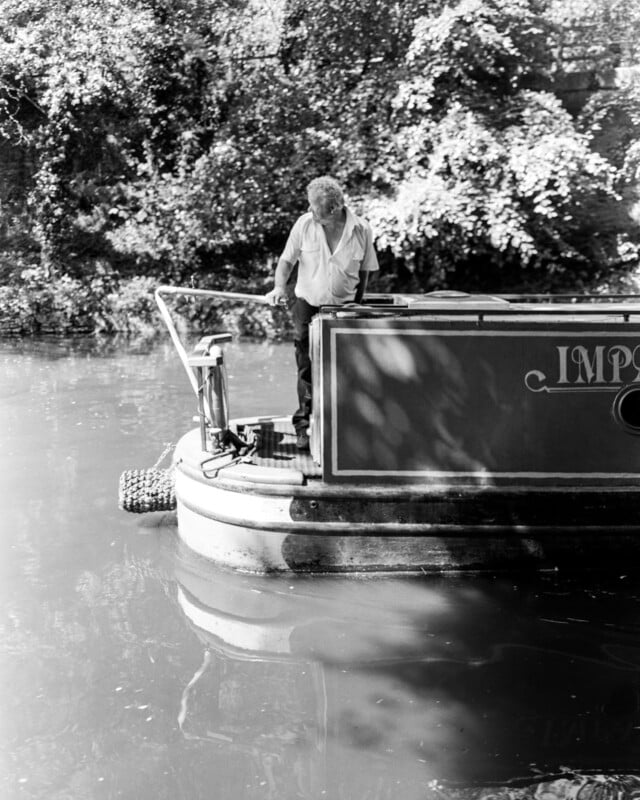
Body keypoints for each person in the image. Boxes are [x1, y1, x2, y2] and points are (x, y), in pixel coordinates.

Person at [266, 176, 379, 450]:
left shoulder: (361, 229)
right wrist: (279, 287)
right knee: (306, 366)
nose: (311, 213)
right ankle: (303, 427)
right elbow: (286, 260)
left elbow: (366, 270)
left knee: (345, 369)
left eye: (316, 209)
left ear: (334, 208)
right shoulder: (304, 224)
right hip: (307, 304)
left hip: (344, 308)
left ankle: (345, 428)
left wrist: (359, 301)